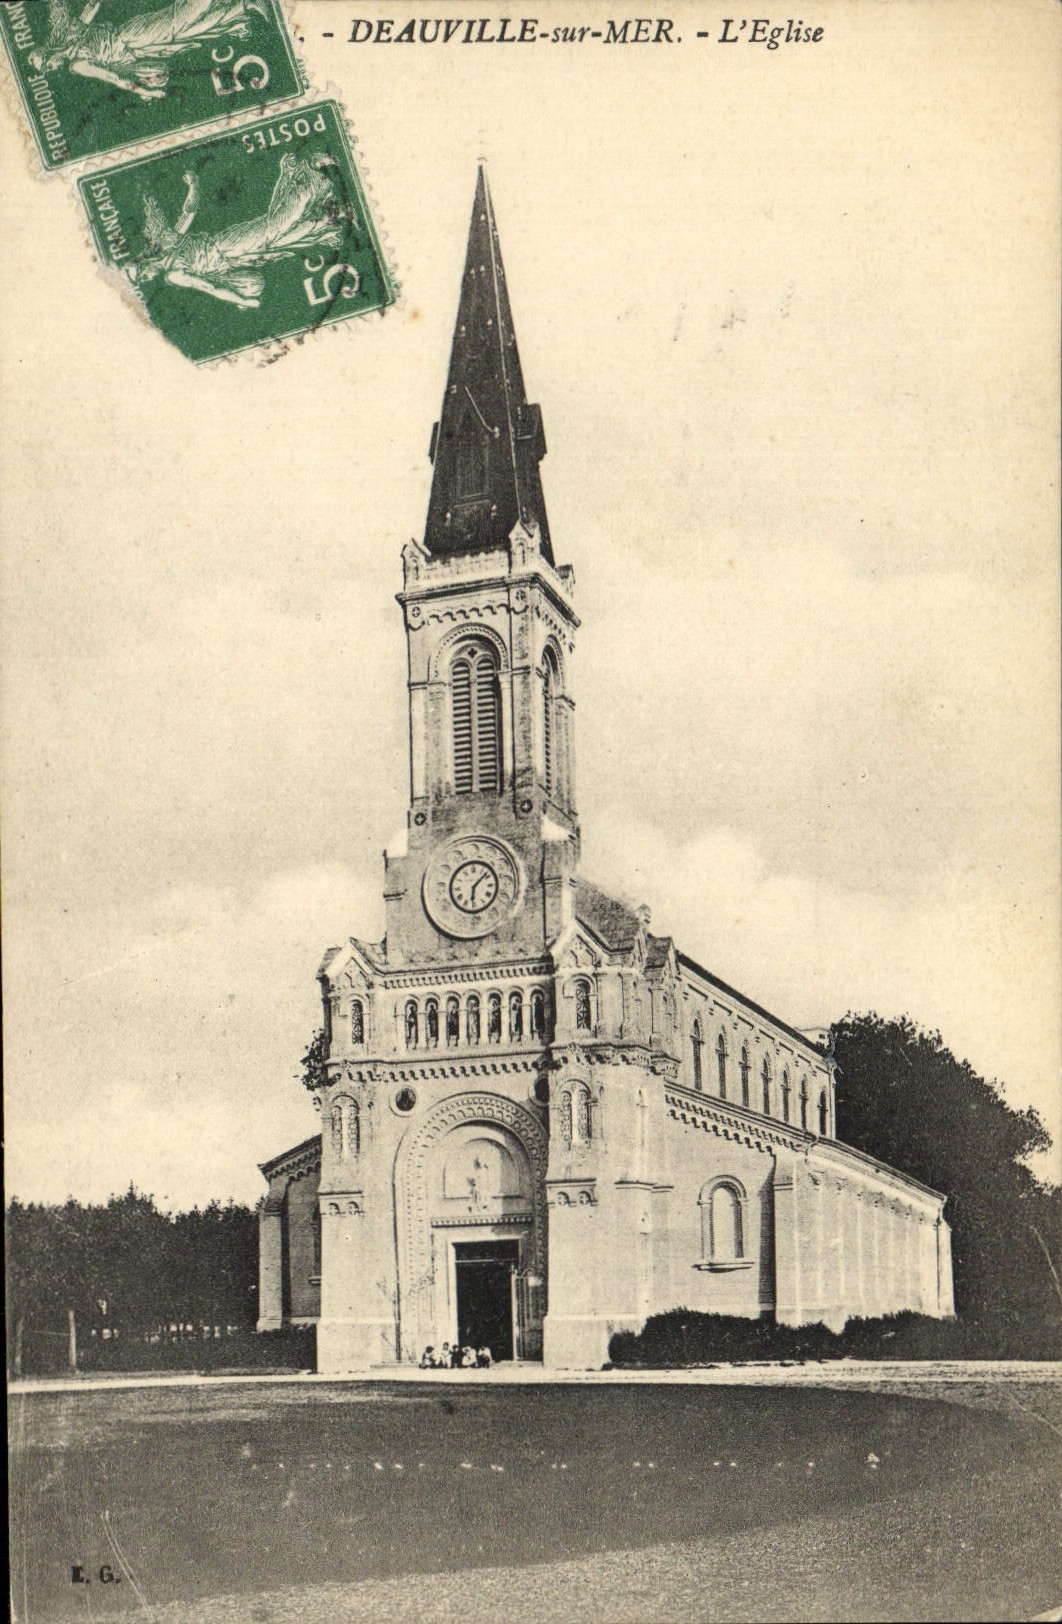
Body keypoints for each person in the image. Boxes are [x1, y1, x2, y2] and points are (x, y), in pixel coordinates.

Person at [28, 0, 272, 101]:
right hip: (138, 50)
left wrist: (148, 92)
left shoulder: (78, 59)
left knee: (178, 21)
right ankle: (243, 6)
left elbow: (117, 79)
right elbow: (118, 77)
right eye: (48, 70)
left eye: (47, 64)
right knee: (188, 33)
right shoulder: (76, 62)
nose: (52, 68)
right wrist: (147, 89)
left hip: (132, 37)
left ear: (50, 51)